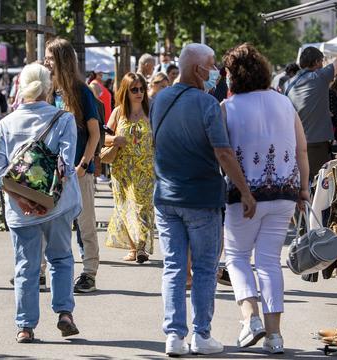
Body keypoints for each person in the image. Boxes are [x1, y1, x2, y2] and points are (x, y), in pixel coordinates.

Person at [151, 43, 256, 357]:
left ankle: (173, 336)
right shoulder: (208, 104)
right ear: (198, 69)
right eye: (212, 66)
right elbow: (223, 152)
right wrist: (246, 191)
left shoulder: (159, 100)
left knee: (173, 268)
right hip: (201, 198)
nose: (217, 73)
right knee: (205, 269)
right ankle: (201, 335)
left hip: (166, 196)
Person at [221, 43, 310, 354]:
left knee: (236, 257)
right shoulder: (284, 103)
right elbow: (301, 149)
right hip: (284, 191)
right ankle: (275, 336)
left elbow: (224, 153)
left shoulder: (227, 107)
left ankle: (251, 319)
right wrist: (304, 188)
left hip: (245, 195)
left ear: (234, 76)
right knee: (269, 262)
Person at [0, 63, 81, 343]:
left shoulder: (6, 124)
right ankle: (64, 312)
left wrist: (20, 198)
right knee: (61, 258)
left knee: (25, 267)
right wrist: (47, 201)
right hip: (57, 206)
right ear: (49, 86)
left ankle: (25, 327)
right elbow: (66, 166)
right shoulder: (63, 120)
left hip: (20, 210)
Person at [45, 38, 102, 293]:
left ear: (62, 60)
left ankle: (89, 273)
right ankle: (40, 272)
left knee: (85, 224)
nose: (46, 62)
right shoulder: (48, 91)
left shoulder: (81, 92)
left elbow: (95, 133)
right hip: (52, 172)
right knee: (50, 224)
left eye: (49, 57)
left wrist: (84, 164)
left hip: (79, 171)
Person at [286, 4, 337, 181]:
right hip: (316, 148)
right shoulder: (319, 77)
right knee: (319, 194)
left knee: (300, 193)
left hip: (293, 145)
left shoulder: (289, 84)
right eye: (323, 61)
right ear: (318, 62)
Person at [104, 72, 155, 263]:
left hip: (145, 168)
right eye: (134, 89)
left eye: (142, 88)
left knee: (142, 207)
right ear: (126, 90)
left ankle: (142, 247)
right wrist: (115, 140)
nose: (139, 92)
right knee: (125, 207)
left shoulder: (151, 111)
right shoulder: (118, 112)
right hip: (121, 169)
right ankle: (134, 249)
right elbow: (103, 137)